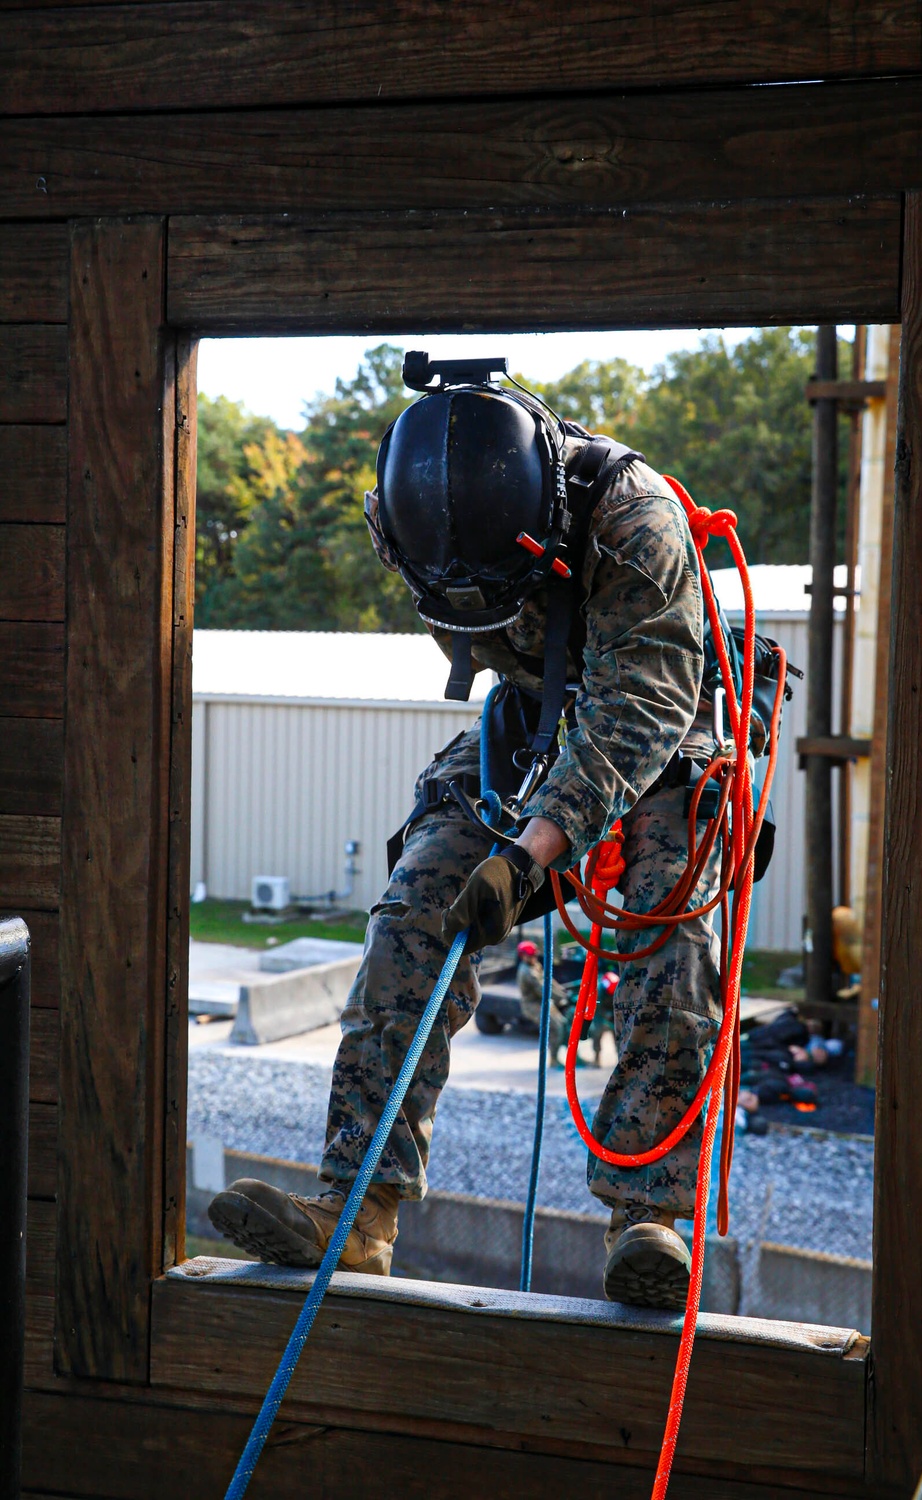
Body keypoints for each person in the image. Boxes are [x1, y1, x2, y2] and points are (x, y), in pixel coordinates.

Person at [209, 353, 723, 1308]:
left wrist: (533, 852)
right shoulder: (407, 520)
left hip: (661, 718)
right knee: (415, 910)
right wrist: (489, 848)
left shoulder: (631, 515)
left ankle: (648, 1216)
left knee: (669, 910)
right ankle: (358, 1212)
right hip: (532, 717)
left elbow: (641, 708)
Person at [514, 937, 569, 1066]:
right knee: (556, 1028)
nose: (534, 958)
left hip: (543, 1002)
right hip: (533, 1005)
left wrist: (562, 991)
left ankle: (572, 1056)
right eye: (530, 956)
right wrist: (562, 997)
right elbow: (543, 990)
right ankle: (554, 1060)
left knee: (564, 1024)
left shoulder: (534, 965)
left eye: (534, 955)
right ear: (523, 956)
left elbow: (548, 979)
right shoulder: (527, 973)